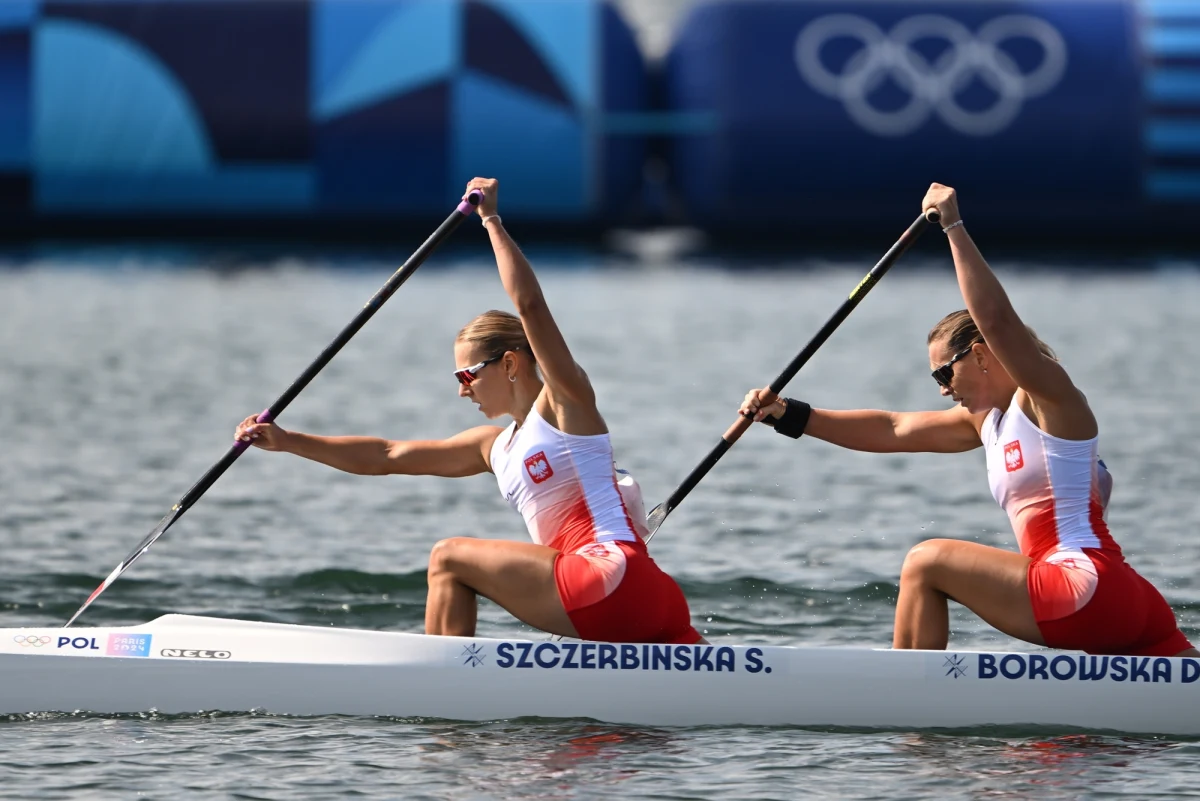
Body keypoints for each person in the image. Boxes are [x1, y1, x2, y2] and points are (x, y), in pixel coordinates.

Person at [235, 177, 701, 645]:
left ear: (511, 363)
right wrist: (288, 441)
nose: (463, 391)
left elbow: (530, 306)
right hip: (654, 598)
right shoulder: (492, 447)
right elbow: (386, 455)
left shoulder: (565, 402)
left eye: (468, 375)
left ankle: (441, 695)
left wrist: (491, 220)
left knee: (448, 558)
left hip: (607, 578)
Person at [740, 183, 1197, 658]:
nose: (941, 387)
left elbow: (998, 321)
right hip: (1128, 601)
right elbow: (891, 428)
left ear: (980, 354)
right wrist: (786, 414)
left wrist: (954, 227)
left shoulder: (1049, 398)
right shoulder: (984, 423)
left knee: (925, 562)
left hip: (1080, 585)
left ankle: (906, 712)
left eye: (944, 371)